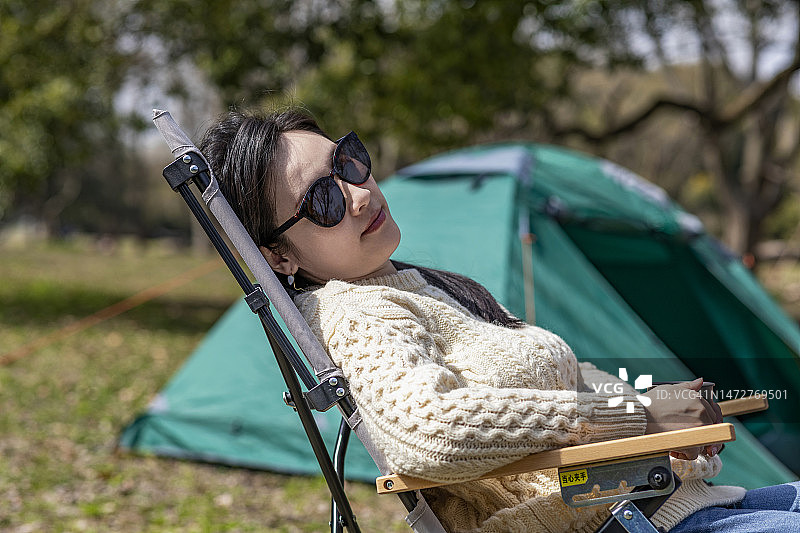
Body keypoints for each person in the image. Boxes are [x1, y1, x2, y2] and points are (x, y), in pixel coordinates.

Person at [199, 108, 800, 533]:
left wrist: (665, 422)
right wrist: (635, 416)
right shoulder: (353, 310)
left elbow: (561, 386)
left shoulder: (421, 286)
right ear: (277, 255)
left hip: (673, 501)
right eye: (322, 202)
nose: (358, 193)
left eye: (349, 163)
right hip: (625, 520)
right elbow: (429, 433)